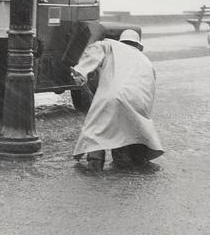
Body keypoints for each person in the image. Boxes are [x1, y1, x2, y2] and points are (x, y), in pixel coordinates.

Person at [70, 29, 164, 171]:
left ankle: (95, 164)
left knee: (96, 129)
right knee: (127, 132)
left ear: (121, 41)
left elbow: (94, 51)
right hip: (138, 100)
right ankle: (124, 163)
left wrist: (81, 71)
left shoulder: (110, 45)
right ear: (138, 45)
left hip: (113, 96)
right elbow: (149, 88)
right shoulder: (145, 61)